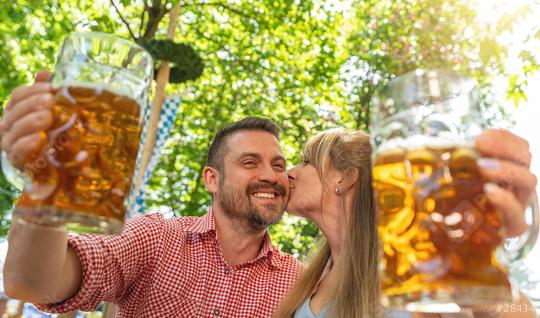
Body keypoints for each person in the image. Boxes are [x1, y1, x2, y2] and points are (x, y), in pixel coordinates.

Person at [0, 72, 302, 317]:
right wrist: (46, 183)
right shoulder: (157, 238)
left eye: (279, 165)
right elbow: (35, 281)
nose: (270, 175)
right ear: (212, 179)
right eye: (250, 162)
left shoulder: (298, 281)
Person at [274, 128, 537, 318]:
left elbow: (514, 312)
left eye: (306, 162)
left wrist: (476, 270)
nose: (290, 174)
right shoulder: (314, 274)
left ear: (343, 178)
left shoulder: (411, 263)